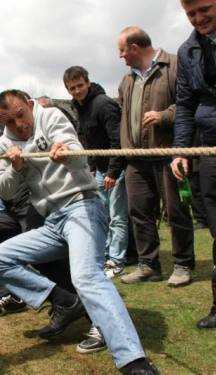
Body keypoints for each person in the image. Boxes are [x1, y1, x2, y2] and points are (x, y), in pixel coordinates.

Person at [0, 90, 158, 374]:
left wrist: (65, 154)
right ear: (1, 121)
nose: (19, 125)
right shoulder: (5, 141)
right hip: (51, 221)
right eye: (10, 121)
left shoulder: (51, 116)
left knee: (86, 275)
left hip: (82, 208)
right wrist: (15, 167)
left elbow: (79, 156)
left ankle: (133, 361)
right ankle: (65, 301)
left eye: (20, 115)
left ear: (29, 106)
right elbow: (5, 191)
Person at [117, 27, 195, 287]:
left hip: (168, 154)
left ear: (135, 47)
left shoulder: (174, 65)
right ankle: (148, 265)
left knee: (177, 212)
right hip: (136, 159)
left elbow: (188, 104)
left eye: (122, 50)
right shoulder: (127, 80)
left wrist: (164, 116)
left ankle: (183, 265)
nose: (120, 56)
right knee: (138, 213)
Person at [171, 0, 216, 329]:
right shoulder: (187, 51)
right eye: (191, 13)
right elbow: (185, 106)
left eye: (205, 9)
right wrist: (181, 150)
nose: (198, 18)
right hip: (210, 149)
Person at [63, 66, 128, 278]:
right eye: (72, 88)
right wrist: (91, 167)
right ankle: (107, 254)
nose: (77, 91)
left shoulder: (104, 104)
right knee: (102, 216)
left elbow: (117, 140)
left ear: (88, 83)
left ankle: (116, 260)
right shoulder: (78, 107)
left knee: (117, 216)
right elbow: (87, 142)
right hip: (98, 169)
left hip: (114, 170)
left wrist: (113, 172)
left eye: (80, 85)